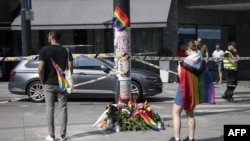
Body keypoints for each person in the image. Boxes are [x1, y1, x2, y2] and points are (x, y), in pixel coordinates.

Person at [169, 40, 215, 141]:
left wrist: (179, 69)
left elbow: (182, 79)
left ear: (189, 49)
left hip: (184, 90)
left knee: (176, 113)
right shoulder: (201, 60)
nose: (186, 53)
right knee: (190, 114)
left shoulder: (185, 62)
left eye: (186, 51)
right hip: (194, 89)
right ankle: (191, 138)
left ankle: (176, 138)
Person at [38, 30, 73, 141]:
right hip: (62, 83)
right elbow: (70, 68)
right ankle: (63, 135)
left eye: (48, 35)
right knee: (63, 108)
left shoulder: (44, 50)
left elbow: (40, 69)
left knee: (50, 109)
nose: (48, 37)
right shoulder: (66, 51)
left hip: (49, 83)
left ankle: (51, 136)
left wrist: (42, 82)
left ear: (52, 37)